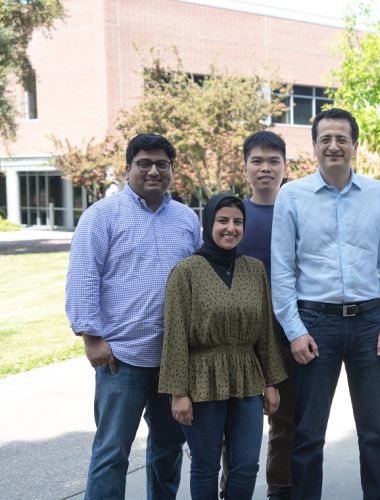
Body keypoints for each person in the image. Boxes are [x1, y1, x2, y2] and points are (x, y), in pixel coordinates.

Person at [271, 108, 380, 500]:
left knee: (374, 434)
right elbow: (282, 271)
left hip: (369, 322)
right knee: (309, 433)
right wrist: (294, 330)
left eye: (341, 139)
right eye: (325, 139)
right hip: (315, 324)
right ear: (314, 146)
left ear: (354, 146)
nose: (333, 146)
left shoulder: (378, 194)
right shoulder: (292, 196)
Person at [65, 133, 202, 499]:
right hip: (120, 358)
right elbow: (83, 275)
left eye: (162, 164)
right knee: (112, 452)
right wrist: (91, 337)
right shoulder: (102, 216)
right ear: (129, 168)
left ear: (172, 170)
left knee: (168, 450)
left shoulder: (186, 219)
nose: (153, 170)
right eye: (144, 163)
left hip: (173, 360)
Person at [159, 192, 288, 499]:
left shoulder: (254, 269)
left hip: (247, 377)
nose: (230, 228)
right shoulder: (186, 271)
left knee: (246, 465)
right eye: (223, 220)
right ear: (209, 223)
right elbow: (175, 334)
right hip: (202, 377)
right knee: (205, 465)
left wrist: (271, 382)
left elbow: (266, 331)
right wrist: (179, 394)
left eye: (238, 222)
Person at [236, 130, 294, 500]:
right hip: (240, 335)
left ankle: (280, 490)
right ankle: (233, 489)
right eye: (257, 161)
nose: (265, 168)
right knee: (236, 423)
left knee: (285, 420)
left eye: (273, 161)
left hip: (288, 329)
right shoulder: (233, 216)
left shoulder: (298, 209)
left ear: (285, 167)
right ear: (245, 168)